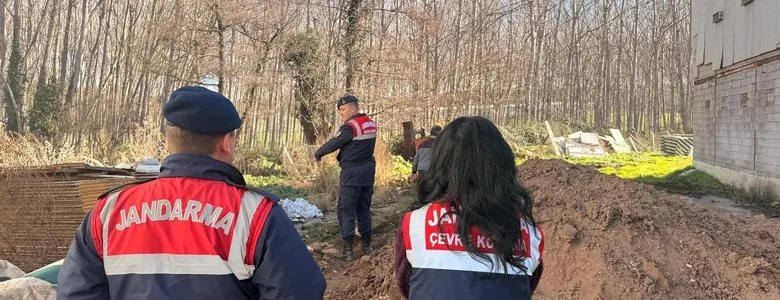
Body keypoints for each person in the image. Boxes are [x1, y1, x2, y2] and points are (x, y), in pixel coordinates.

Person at [57, 86, 326, 300]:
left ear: (169, 142)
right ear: (226, 143)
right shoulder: (254, 213)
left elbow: (76, 292)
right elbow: (298, 291)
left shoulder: (108, 212)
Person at [394, 116, 545, 300]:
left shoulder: (414, 223)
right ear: (503, 165)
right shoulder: (529, 233)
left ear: (441, 163)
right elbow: (526, 287)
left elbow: (407, 284)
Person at [314, 95, 377, 261]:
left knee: (346, 210)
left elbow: (335, 142)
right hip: (368, 172)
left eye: (342, 110)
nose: (341, 114)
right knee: (364, 211)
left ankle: (348, 251)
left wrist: (318, 153)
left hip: (352, 174)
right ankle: (367, 247)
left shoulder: (350, 126)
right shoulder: (370, 123)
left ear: (352, 108)